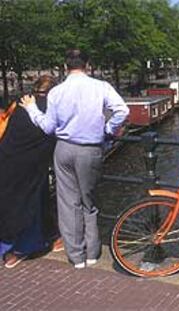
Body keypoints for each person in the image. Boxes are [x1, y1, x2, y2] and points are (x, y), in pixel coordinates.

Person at [21, 49, 129, 269]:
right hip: (91, 150)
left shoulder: (56, 92)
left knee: (68, 203)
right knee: (89, 202)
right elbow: (122, 110)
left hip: (64, 149)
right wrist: (107, 129)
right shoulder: (101, 87)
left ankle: (76, 256)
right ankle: (93, 252)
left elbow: (48, 127)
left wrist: (32, 109)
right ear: (88, 65)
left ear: (64, 66)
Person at [0, 75, 62, 268]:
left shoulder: (19, 105)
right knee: (25, 205)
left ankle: (48, 236)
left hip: (7, 158)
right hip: (30, 166)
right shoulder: (52, 108)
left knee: (11, 202)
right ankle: (17, 251)